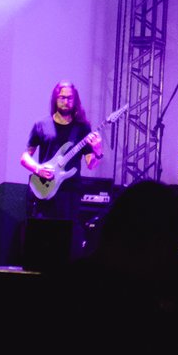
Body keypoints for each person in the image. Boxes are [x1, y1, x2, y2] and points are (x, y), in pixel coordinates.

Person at [21, 81, 106, 258]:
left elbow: (91, 164)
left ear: (75, 100)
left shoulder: (82, 128)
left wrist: (98, 151)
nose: (66, 101)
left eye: (70, 98)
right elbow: (24, 157)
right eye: (62, 97)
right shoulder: (41, 124)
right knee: (43, 241)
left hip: (70, 193)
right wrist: (37, 169)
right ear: (55, 99)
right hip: (45, 192)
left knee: (67, 243)